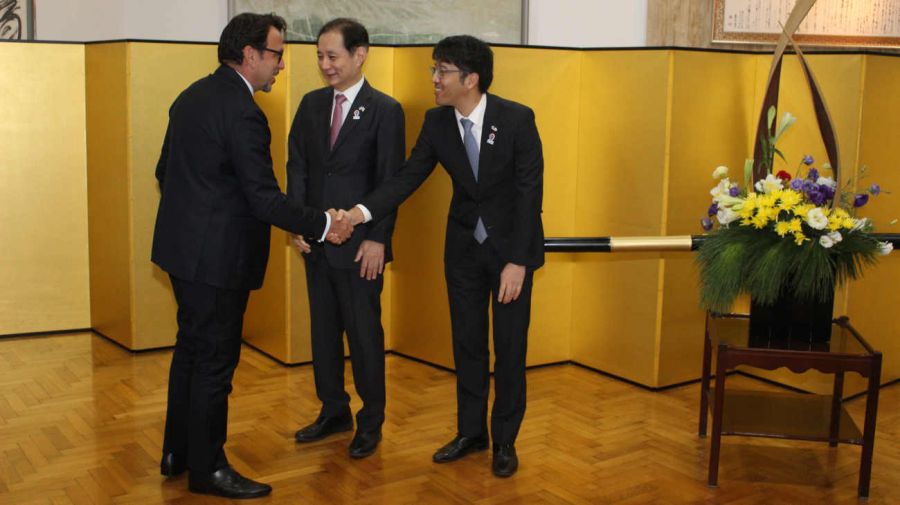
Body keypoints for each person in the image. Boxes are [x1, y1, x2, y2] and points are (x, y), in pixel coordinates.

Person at [151, 13, 352, 499]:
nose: (282, 65)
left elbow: (164, 171)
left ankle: (177, 452)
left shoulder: (190, 96)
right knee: (215, 363)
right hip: (218, 262)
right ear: (250, 55)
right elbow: (264, 199)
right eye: (277, 53)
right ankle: (209, 470)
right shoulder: (243, 112)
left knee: (190, 352)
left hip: (181, 254)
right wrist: (325, 222)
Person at [340, 35, 544, 477]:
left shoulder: (516, 120)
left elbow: (530, 195)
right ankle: (471, 433)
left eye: (442, 71)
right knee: (468, 344)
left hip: (511, 254)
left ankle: (505, 438)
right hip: (464, 251)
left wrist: (519, 262)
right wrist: (359, 214)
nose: (434, 79)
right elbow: (407, 178)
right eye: (434, 69)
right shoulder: (436, 124)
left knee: (509, 349)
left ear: (470, 79)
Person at [286, 18, 405, 459]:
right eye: (320, 56)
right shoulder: (311, 104)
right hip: (316, 243)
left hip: (361, 250)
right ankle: (333, 409)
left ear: (360, 54)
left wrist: (378, 238)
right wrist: (298, 223)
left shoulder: (385, 110)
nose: (325, 64)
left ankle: (370, 419)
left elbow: (391, 182)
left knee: (363, 335)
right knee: (323, 333)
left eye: (332, 55)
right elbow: (296, 166)